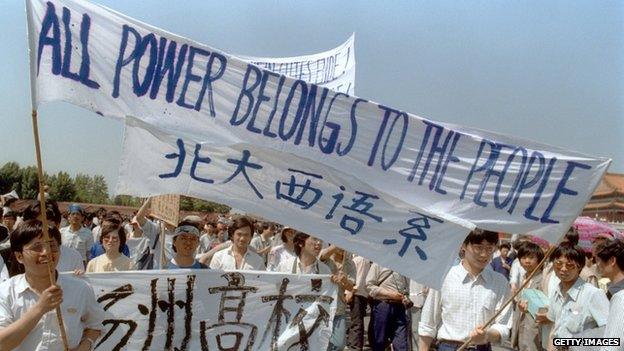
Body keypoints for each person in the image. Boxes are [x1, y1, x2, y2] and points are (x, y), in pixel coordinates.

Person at [0, 219, 104, 350]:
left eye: (52, 246)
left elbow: (95, 326)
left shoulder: (81, 289)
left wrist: (85, 345)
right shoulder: (5, 292)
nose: (46, 252)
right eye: (37, 247)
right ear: (19, 256)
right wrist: (40, 308)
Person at [418, 229, 512, 351]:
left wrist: (487, 335)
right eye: (478, 247)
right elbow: (428, 323)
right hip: (448, 347)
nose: (484, 254)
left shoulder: (500, 282)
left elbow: (503, 325)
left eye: (489, 249)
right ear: (463, 245)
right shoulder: (445, 277)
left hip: (482, 348)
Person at [535, 243, 609, 348]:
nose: (563, 269)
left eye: (569, 265)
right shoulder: (556, 291)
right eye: (559, 264)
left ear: (579, 267)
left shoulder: (593, 294)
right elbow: (555, 330)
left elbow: (610, 335)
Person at [366, 262, 412, 351]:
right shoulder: (378, 263)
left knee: (401, 344)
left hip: (400, 307)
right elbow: (369, 286)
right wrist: (389, 294)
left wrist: (406, 298)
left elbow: (406, 289)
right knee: (379, 341)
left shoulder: (405, 266)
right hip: (383, 306)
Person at [320, 245, 356, 351]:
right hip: (321, 307)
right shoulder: (326, 258)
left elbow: (351, 287)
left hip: (338, 308)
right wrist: (337, 244)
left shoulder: (350, 263)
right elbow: (321, 256)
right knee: (320, 341)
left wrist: (344, 281)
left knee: (339, 344)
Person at [512, 241, 546, 351]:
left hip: (534, 331)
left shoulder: (543, 280)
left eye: (531, 258)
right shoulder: (524, 277)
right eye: (523, 257)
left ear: (539, 259)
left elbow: (544, 307)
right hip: (520, 328)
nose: (527, 261)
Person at [594, 239, 624, 350]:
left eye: (599, 260)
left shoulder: (620, 298)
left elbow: (612, 345)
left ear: (612, 260)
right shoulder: (613, 290)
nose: (597, 264)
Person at [346, 254, 371, 351]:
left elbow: (358, 280)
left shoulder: (358, 260)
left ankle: (355, 346)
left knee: (356, 321)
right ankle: (355, 344)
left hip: (357, 293)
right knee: (358, 320)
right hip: (363, 294)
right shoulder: (366, 259)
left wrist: (351, 292)